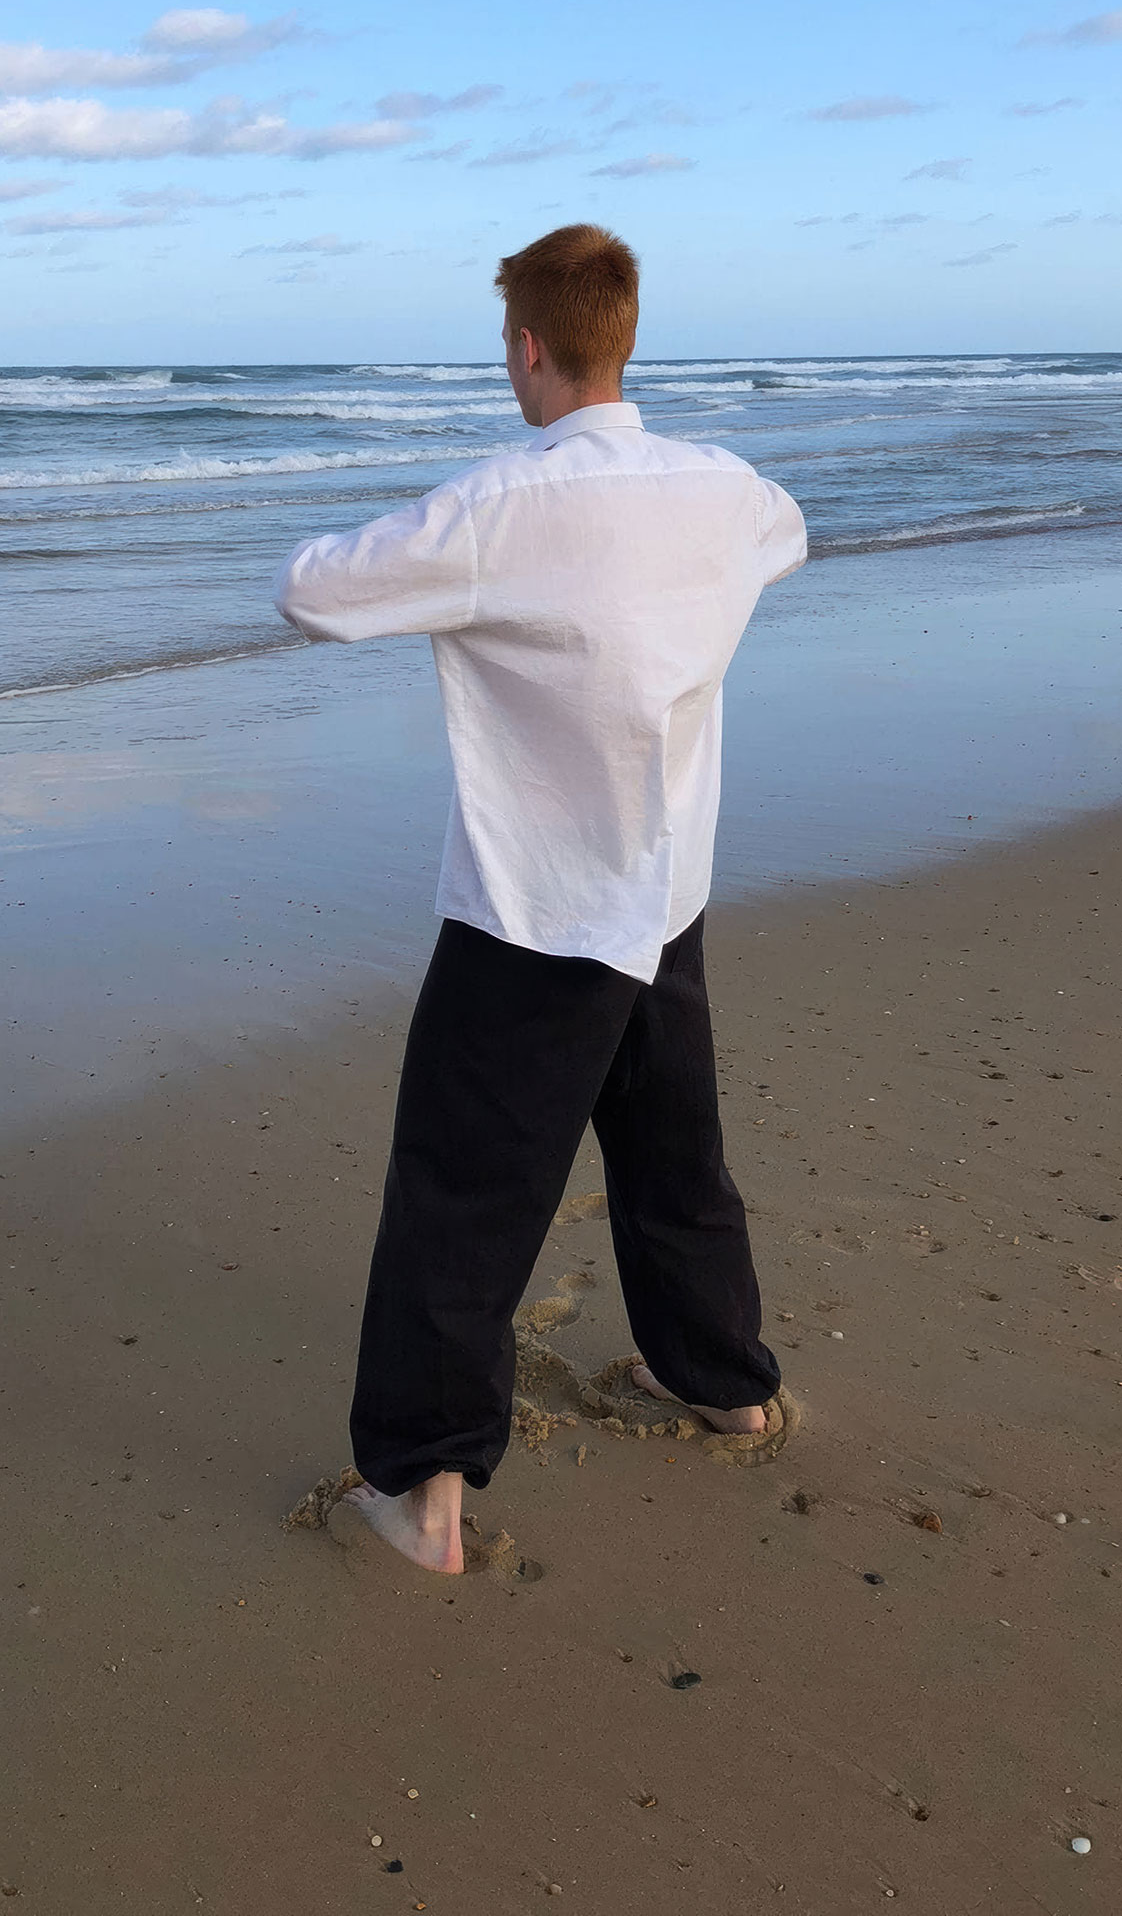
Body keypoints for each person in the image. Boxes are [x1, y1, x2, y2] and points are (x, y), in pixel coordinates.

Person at [272, 224, 807, 1573]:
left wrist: (476, 598)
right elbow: (784, 538)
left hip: (537, 910)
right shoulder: (722, 486)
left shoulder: (501, 506)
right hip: (664, 885)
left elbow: (313, 591)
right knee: (675, 1152)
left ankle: (424, 1493)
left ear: (526, 346)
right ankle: (726, 1381)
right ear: (623, 336)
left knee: (461, 1190)